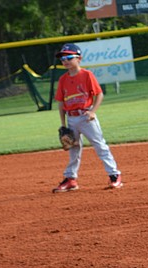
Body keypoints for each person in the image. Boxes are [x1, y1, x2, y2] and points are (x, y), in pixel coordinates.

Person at [52, 43, 123, 193]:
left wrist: (92, 111)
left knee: (100, 146)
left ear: (79, 59)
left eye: (69, 57)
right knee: (74, 149)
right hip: (71, 118)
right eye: (63, 58)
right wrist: (63, 125)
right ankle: (71, 179)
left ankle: (114, 175)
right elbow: (61, 103)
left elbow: (99, 94)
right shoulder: (62, 80)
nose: (65, 60)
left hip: (86, 117)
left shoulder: (86, 75)